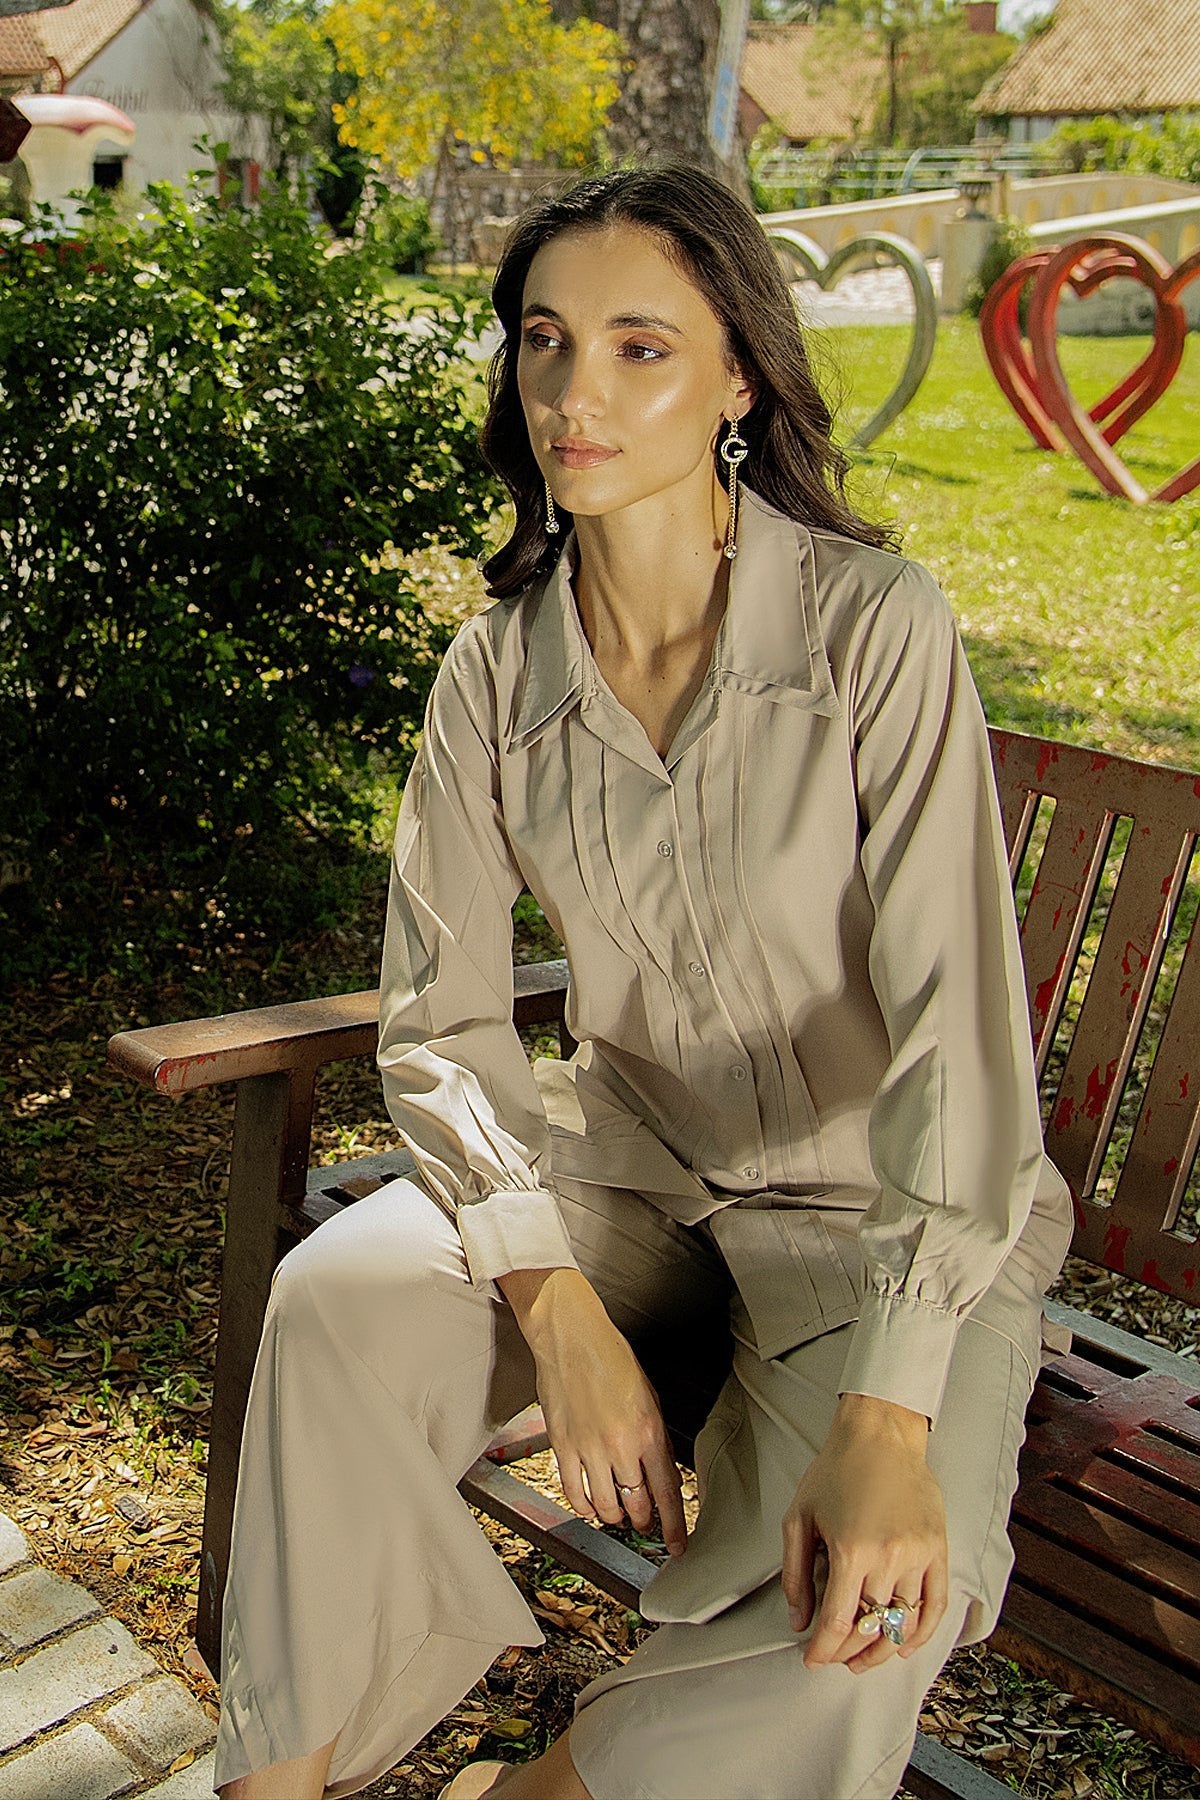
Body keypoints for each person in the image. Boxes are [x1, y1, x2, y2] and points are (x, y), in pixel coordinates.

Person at [213, 163, 1074, 1800]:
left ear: (740, 376)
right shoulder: (494, 675)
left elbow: (961, 1041)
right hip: (627, 1178)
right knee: (335, 1306)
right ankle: (279, 1786)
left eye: (639, 347)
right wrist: (552, 1305)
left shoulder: (872, 631)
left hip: (881, 1219)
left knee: (865, 1614)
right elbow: (441, 1023)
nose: (575, 395)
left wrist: (889, 1418)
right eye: (545, 341)